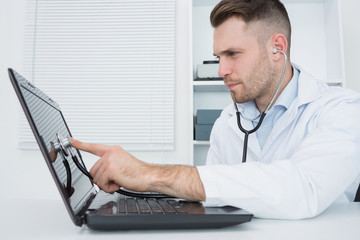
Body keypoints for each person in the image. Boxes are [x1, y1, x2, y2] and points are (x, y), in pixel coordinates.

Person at [72, 0, 360, 219]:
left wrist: (151, 173)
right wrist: (134, 186)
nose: (221, 70)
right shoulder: (228, 121)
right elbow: (211, 195)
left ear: (277, 48)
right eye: (218, 57)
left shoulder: (341, 109)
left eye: (233, 54)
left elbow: (304, 189)